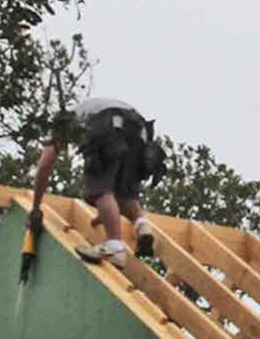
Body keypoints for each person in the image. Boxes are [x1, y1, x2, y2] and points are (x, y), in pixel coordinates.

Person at [29, 97, 162, 268]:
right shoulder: (86, 108)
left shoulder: (63, 122)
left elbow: (45, 164)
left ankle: (114, 247)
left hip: (107, 124)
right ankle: (142, 226)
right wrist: (104, 215)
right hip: (139, 129)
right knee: (124, 195)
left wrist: (35, 206)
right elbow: (115, 197)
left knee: (100, 190)